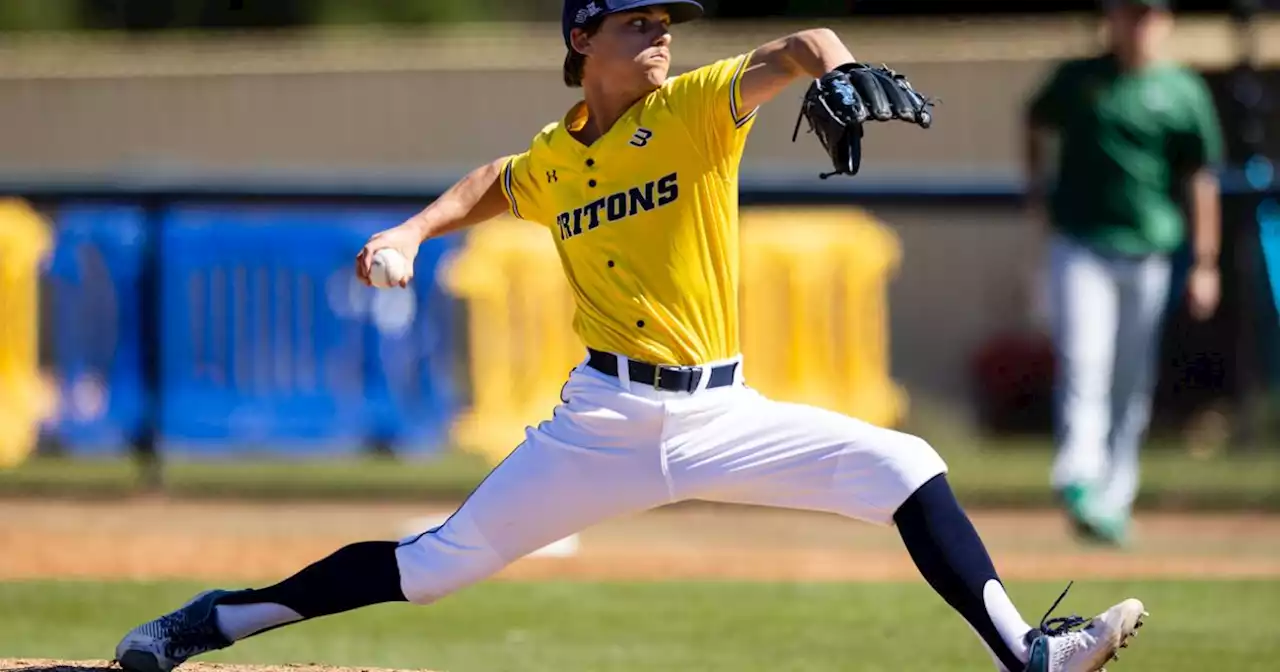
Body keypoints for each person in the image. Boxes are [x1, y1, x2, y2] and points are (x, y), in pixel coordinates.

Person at [115, 3, 1146, 671]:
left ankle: (1025, 655)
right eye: (634, 22)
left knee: (906, 465)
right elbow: (497, 181)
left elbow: (798, 49)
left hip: (721, 411)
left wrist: (837, 65)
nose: (660, 35)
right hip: (600, 422)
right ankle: (215, 621)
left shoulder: (697, 108)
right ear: (580, 41)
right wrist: (411, 231)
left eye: (665, 21)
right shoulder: (558, 158)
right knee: (434, 567)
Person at [1024, 0, 1224, 546]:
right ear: (1110, 19)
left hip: (1149, 250)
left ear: (1165, 22)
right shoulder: (1080, 79)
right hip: (1082, 243)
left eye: (1148, 14)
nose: (1138, 25)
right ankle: (1079, 479)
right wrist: (1037, 193)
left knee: (1131, 377)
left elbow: (1200, 178)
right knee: (1084, 359)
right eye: (1128, 13)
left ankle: (1115, 495)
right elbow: (1035, 122)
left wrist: (1207, 262)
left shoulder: (1182, 90)